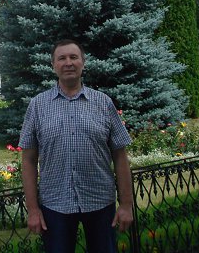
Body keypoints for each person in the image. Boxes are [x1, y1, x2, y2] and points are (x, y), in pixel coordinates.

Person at [19, 39, 133, 253]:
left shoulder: (103, 103)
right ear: (53, 65)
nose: (68, 63)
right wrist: (33, 209)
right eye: (62, 58)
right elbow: (28, 160)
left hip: (100, 201)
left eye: (73, 57)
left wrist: (126, 205)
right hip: (55, 205)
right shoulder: (37, 106)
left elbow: (120, 155)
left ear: (83, 62)